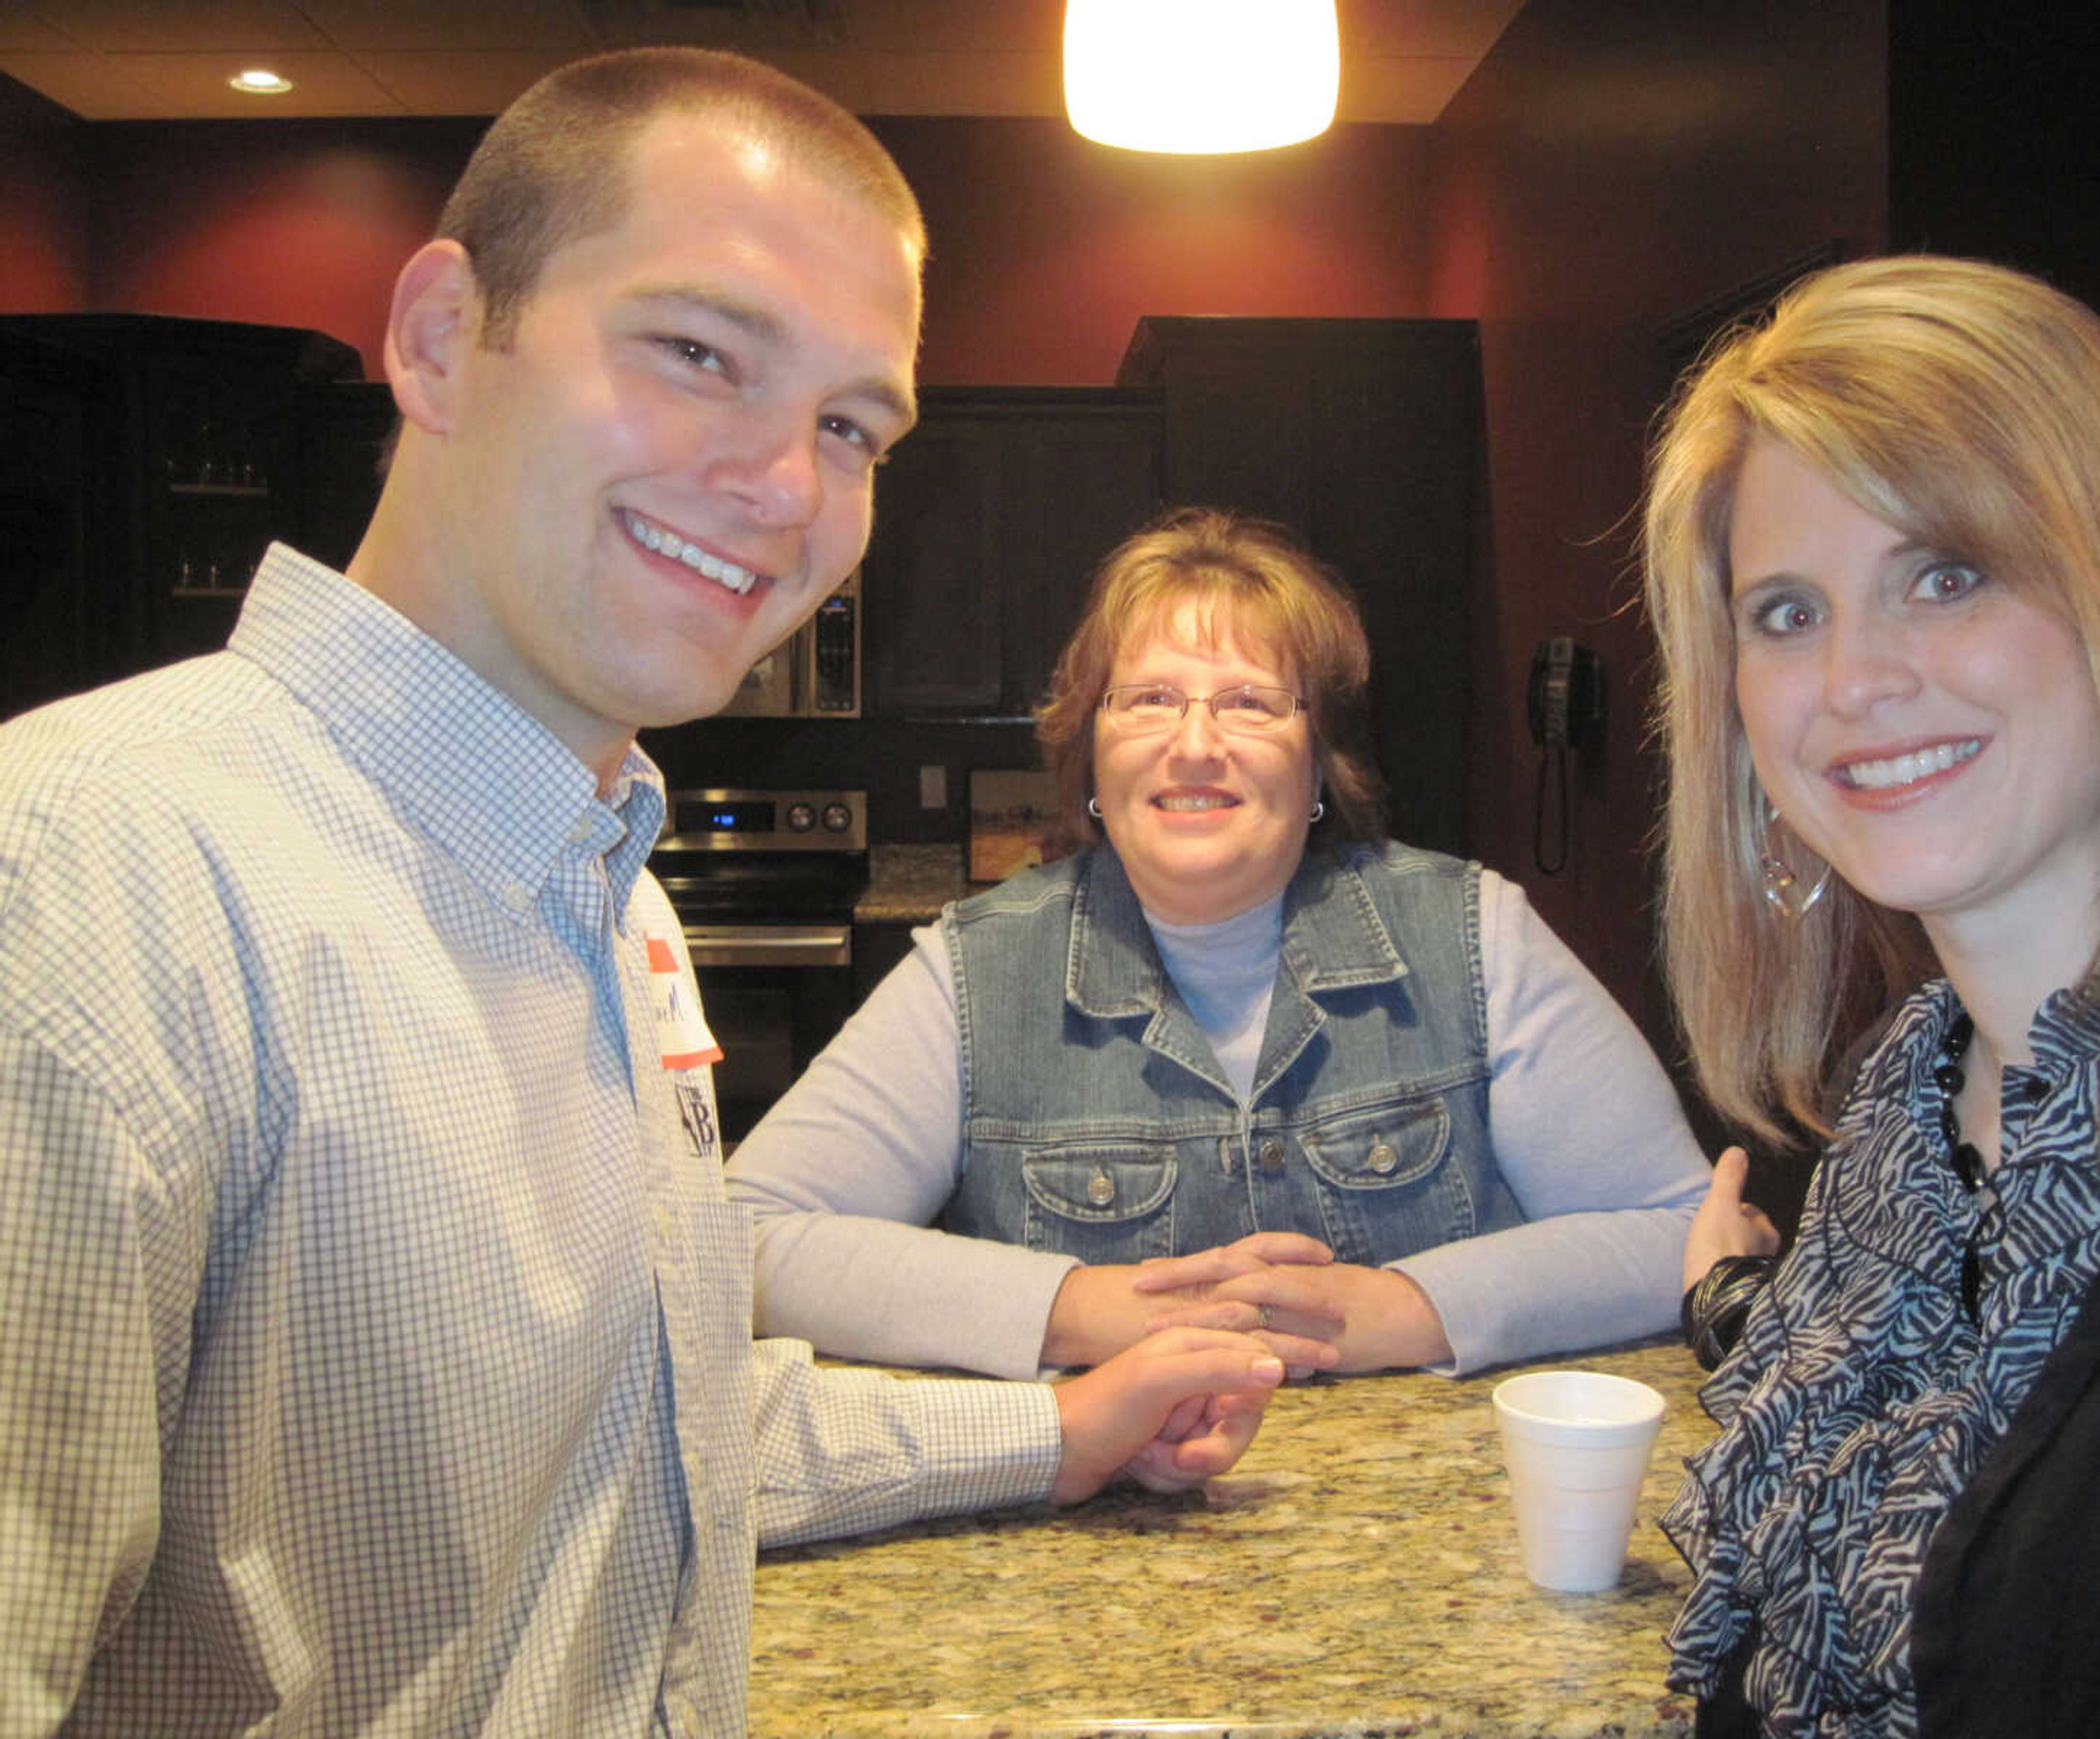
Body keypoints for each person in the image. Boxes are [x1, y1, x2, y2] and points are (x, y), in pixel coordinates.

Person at [0, 50, 1291, 1738]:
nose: (785, 489)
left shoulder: (610, 885)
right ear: (444, 336)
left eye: (850, 424)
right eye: (697, 353)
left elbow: (648, 1423)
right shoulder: (83, 883)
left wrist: (1061, 1428)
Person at [1640, 254, 2100, 1737]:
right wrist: (1737, 1305)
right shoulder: (1904, 1112)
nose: (1856, 681)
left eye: (1946, 576)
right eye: (1786, 613)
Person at [725, 507, 1709, 1380]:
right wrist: (1089, 1311)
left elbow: (1683, 1232)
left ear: (1320, 765)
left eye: (1249, 702)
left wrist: (1404, 1311)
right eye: (1150, 699)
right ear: (1091, 767)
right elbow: (746, 1242)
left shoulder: (1473, 934)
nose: (1195, 743)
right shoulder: (975, 977)